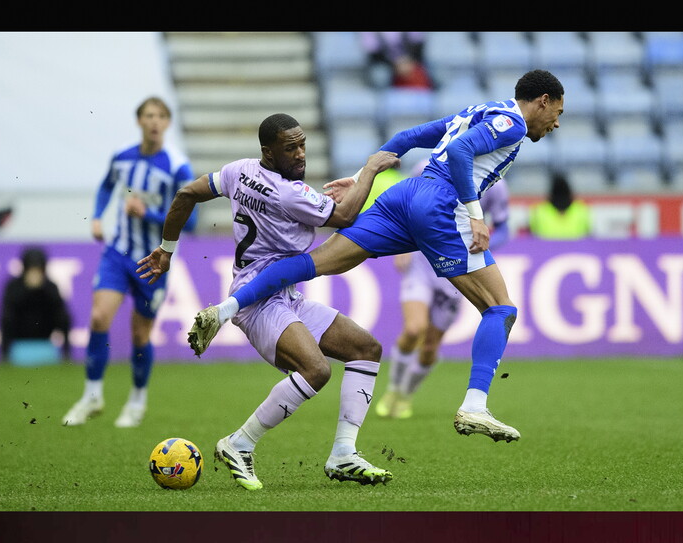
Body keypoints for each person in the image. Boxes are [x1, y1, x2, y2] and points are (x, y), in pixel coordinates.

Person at [174, 69, 565, 444]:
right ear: (543, 102)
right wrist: (476, 216)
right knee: (500, 309)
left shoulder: (482, 110)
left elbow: (409, 136)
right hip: (441, 207)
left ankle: (225, 309)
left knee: (318, 261)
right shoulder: (511, 123)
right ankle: (475, 405)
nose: (557, 124)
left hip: (405, 194)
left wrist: (364, 174)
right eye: (558, 113)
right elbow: (462, 151)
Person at [137, 113, 401, 489]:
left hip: (283, 295)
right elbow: (344, 215)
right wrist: (371, 168)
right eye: (290, 148)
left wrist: (166, 250)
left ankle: (344, 453)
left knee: (365, 348)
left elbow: (186, 194)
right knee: (316, 371)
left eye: (303, 144)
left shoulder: (237, 170)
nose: (301, 154)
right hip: (258, 300)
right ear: (268, 151)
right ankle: (239, 443)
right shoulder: (289, 192)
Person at [62, 96, 197, 428]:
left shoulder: (178, 167)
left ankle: (137, 400)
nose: (154, 122)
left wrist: (148, 213)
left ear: (167, 123)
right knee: (98, 317)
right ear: (139, 121)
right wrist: (96, 217)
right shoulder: (122, 157)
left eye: (161, 116)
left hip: (154, 261)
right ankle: (92, 394)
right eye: (149, 115)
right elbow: (106, 186)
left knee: (140, 334)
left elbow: (191, 224)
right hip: (118, 253)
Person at [373, 160, 511, 419]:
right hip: (422, 264)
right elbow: (408, 208)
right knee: (414, 329)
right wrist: (403, 246)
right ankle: (393, 389)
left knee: (429, 348)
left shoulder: (497, 185)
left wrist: (486, 245)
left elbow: (504, 227)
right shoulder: (428, 166)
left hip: (460, 270)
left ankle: (406, 395)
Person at [0, 246, 71, 363]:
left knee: (64, 316)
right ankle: (5, 357)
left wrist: (41, 289)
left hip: (46, 344)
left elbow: (62, 317)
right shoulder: (13, 287)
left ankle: (67, 355)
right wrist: (27, 290)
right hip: (18, 345)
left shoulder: (50, 287)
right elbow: (6, 318)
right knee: (6, 317)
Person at [359, 32, 434, 90]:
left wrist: (408, 62)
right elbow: (374, 54)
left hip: (410, 62)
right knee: (380, 76)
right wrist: (396, 64)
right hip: (385, 64)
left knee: (428, 73)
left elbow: (418, 46)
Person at [528, 172, 592, 239]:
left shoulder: (538, 210)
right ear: (570, 194)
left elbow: (531, 236)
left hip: (547, 248)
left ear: (550, 195)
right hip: (575, 248)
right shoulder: (581, 209)